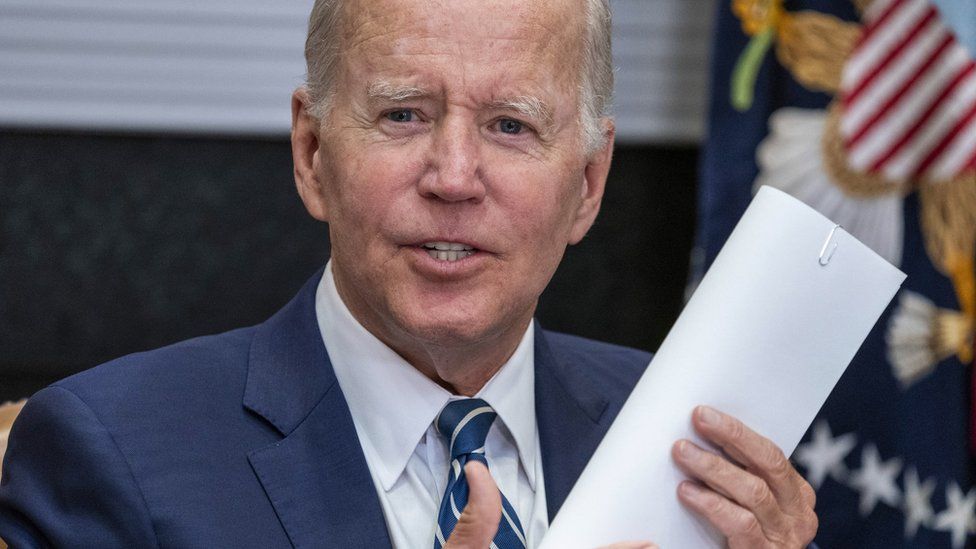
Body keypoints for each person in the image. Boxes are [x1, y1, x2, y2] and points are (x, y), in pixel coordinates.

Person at [0, 0, 818, 547]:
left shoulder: (693, 441)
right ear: (313, 152)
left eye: (510, 124)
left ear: (589, 185)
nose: (454, 175)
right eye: (403, 115)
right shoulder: (109, 453)